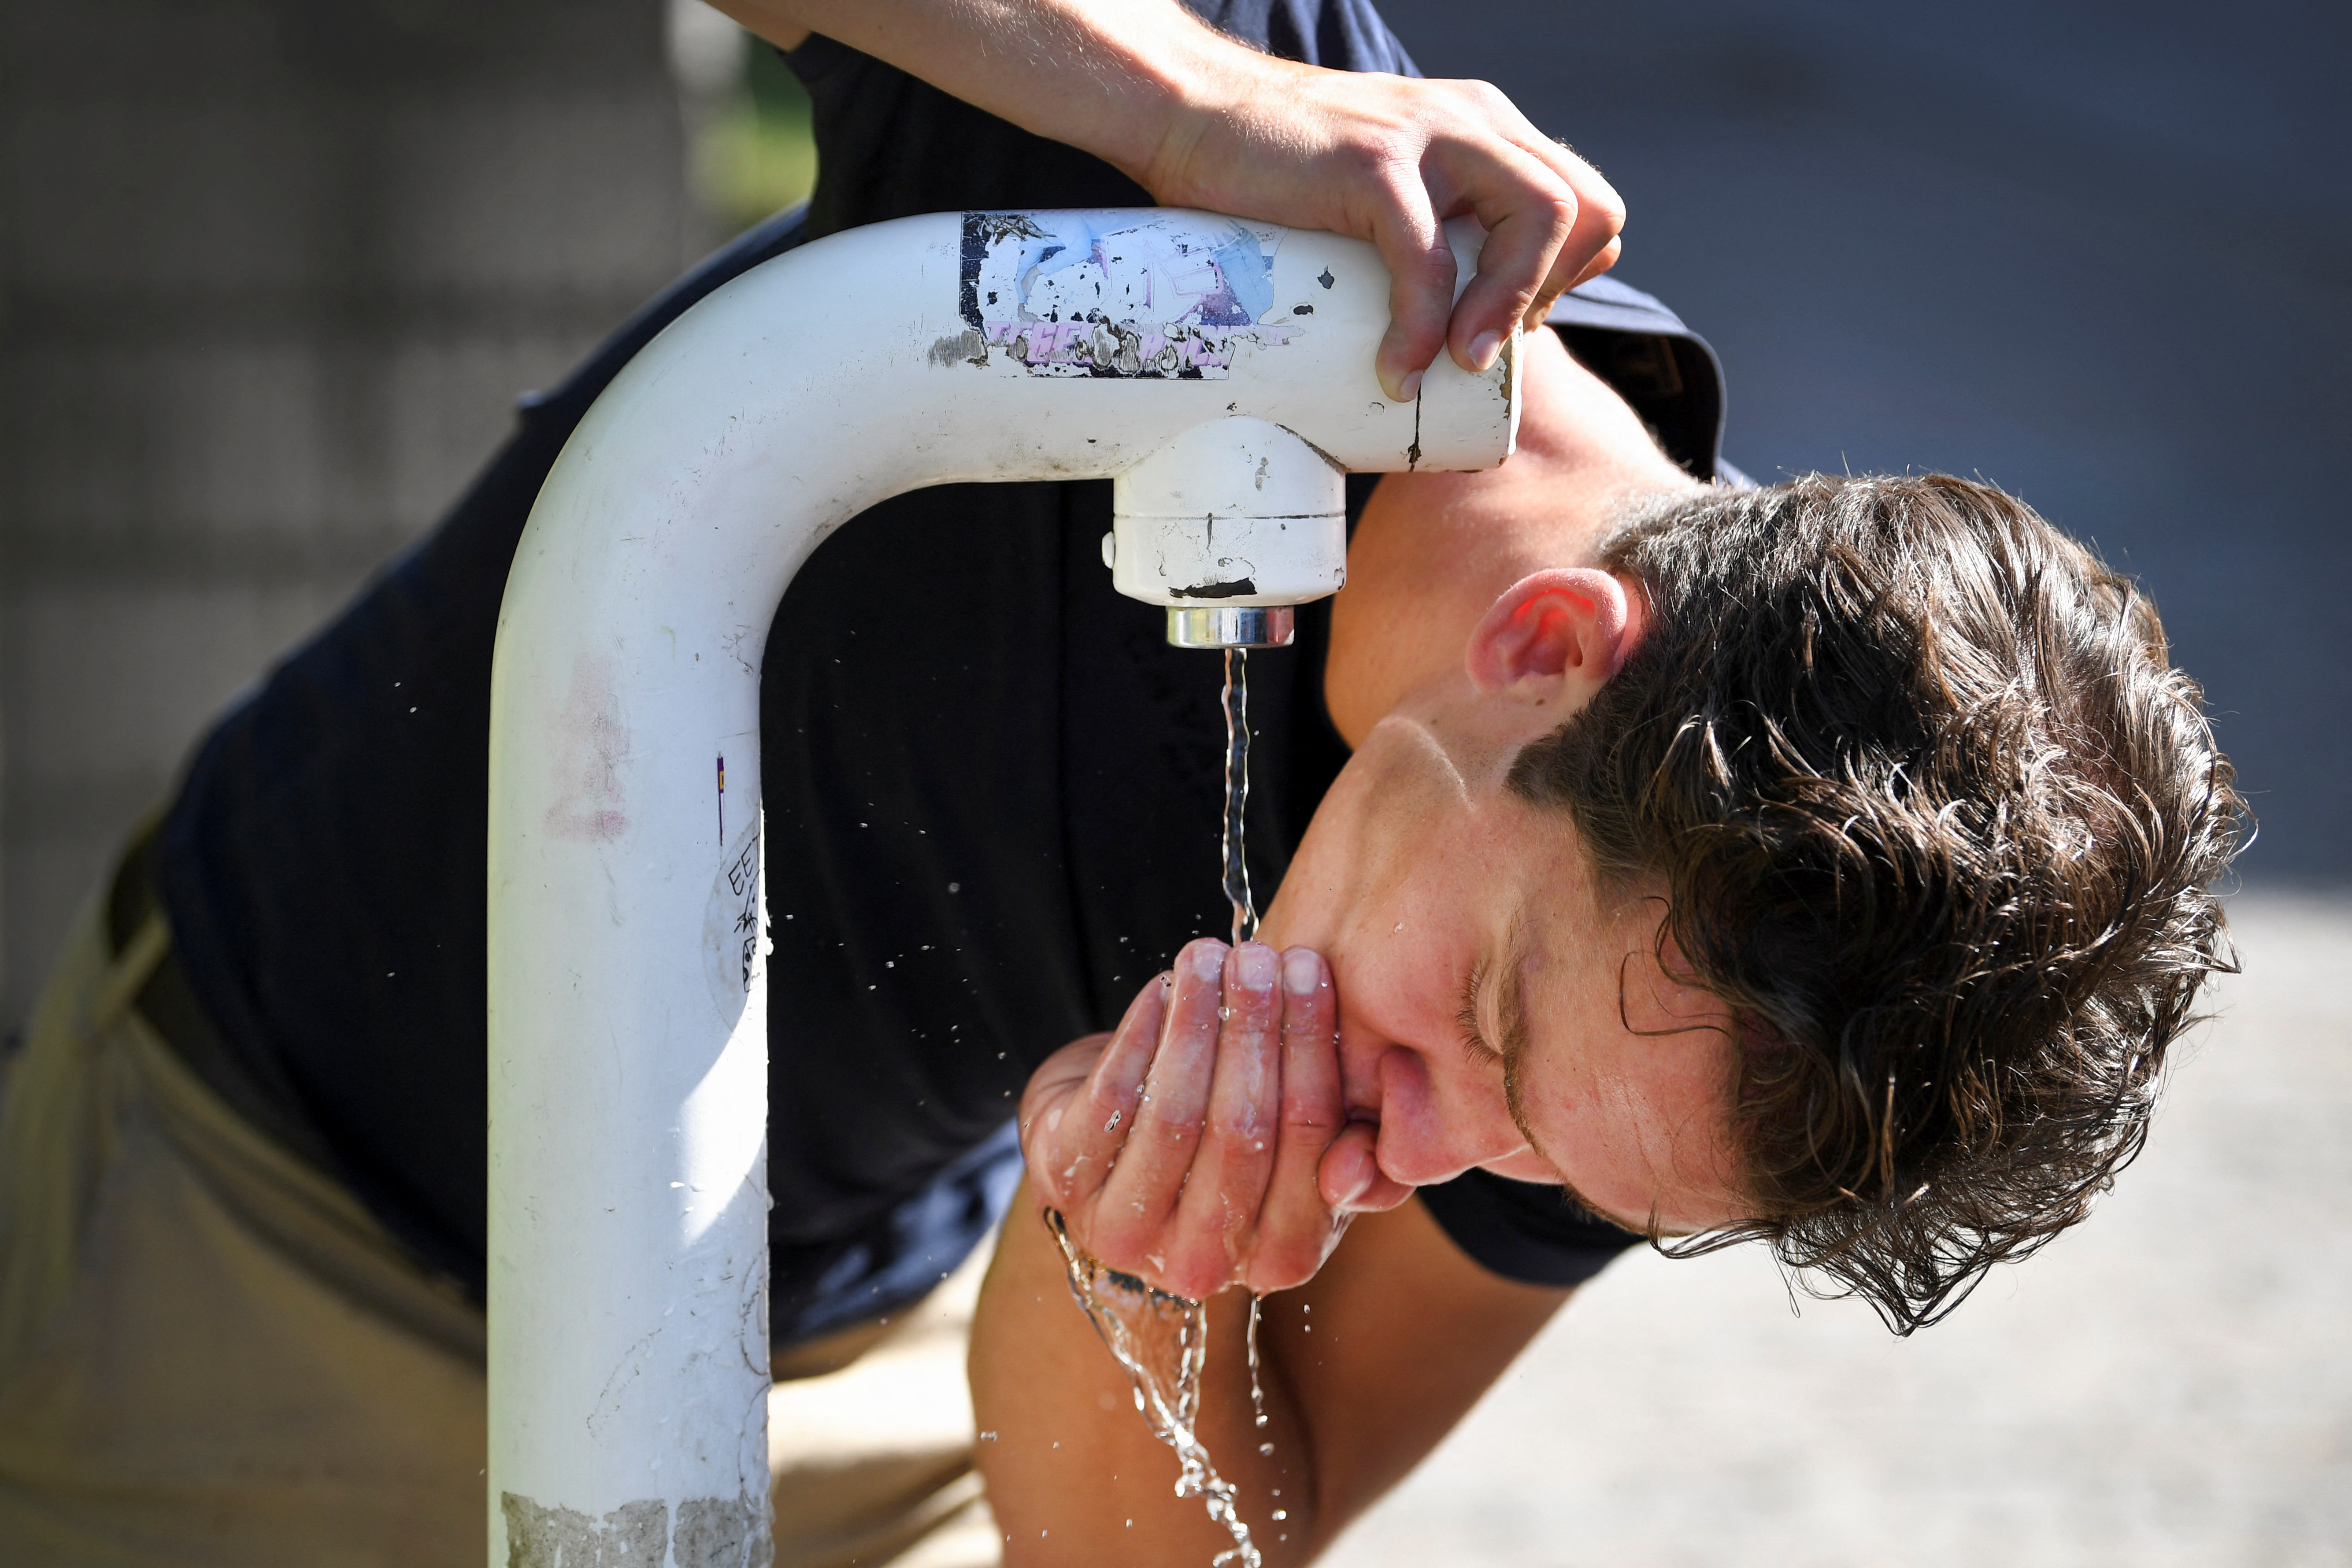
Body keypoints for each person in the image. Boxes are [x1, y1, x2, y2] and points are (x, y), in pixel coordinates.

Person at [0, 2, 2238, 1565]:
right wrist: (1162, 94)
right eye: (1487, 1045)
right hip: (262, 1210)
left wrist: (1136, 1270)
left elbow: (1152, 1550)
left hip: (841, 1363)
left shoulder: (1670, 1026)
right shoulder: (1264, 173)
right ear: (1547, 654)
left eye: (1563, 1175)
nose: (1444, 1162)